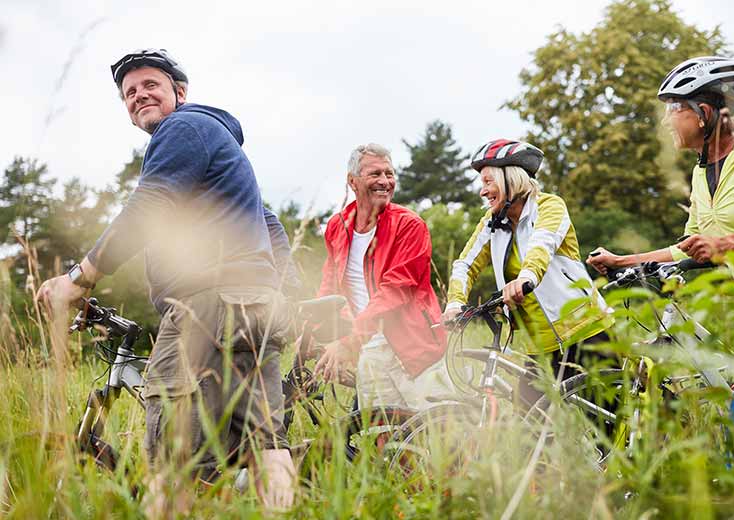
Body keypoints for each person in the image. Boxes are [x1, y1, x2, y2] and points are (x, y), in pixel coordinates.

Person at [35, 49, 296, 509]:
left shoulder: (184, 128)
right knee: (267, 446)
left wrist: (79, 278)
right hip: (254, 308)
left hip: (205, 305)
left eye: (150, 85)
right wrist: (274, 289)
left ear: (180, 91)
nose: (139, 96)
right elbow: (269, 222)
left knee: (171, 457)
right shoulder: (216, 141)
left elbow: (148, 207)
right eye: (129, 93)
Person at [586, 56, 734, 439]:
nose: (667, 119)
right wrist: (626, 261)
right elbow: (690, 246)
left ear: (703, 112)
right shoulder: (702, 174)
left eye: (674, 108)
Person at [442, 139, 612, 408]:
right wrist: (454, 303)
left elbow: (541, 246)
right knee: (530, 429)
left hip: (586, 334)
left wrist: (526, 278)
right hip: (539, 347)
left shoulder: (549, 206)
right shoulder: (491, 223)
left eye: (488, 182)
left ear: (510, 179)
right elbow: (465, 264)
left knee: (605, 428)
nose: (482, 192)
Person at [312, 143, 453, 411]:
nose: (385, 181)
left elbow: (395, 291)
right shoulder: (336, 226)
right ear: (352, 181)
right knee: (381, 441)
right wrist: (315, 331)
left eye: (389, 174)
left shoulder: (410, 225)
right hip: (370, 351)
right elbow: (330, 287)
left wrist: (349, 341)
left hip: (416, 349)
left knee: (441, 436)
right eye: (375, 174)